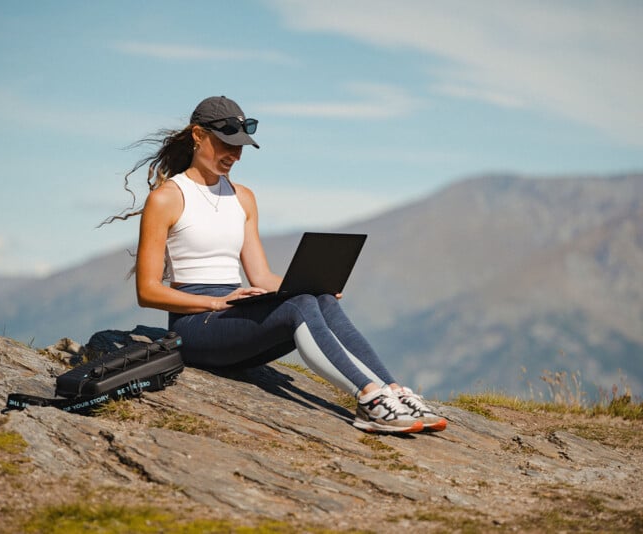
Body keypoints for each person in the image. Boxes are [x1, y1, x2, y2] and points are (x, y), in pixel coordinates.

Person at [112, 95, 446, 434]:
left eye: (241, 147)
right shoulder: (167, 198)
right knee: (299, 306)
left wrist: (310, 284)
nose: (235, 155)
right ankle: (370, 400)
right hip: (195, 326)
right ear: (198, 135)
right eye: (226, 144)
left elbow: (261, 276)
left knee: (319, 300)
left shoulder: (242, 197)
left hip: (234, 316)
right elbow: (148, 291)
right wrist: (215, 302)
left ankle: (392, 390)